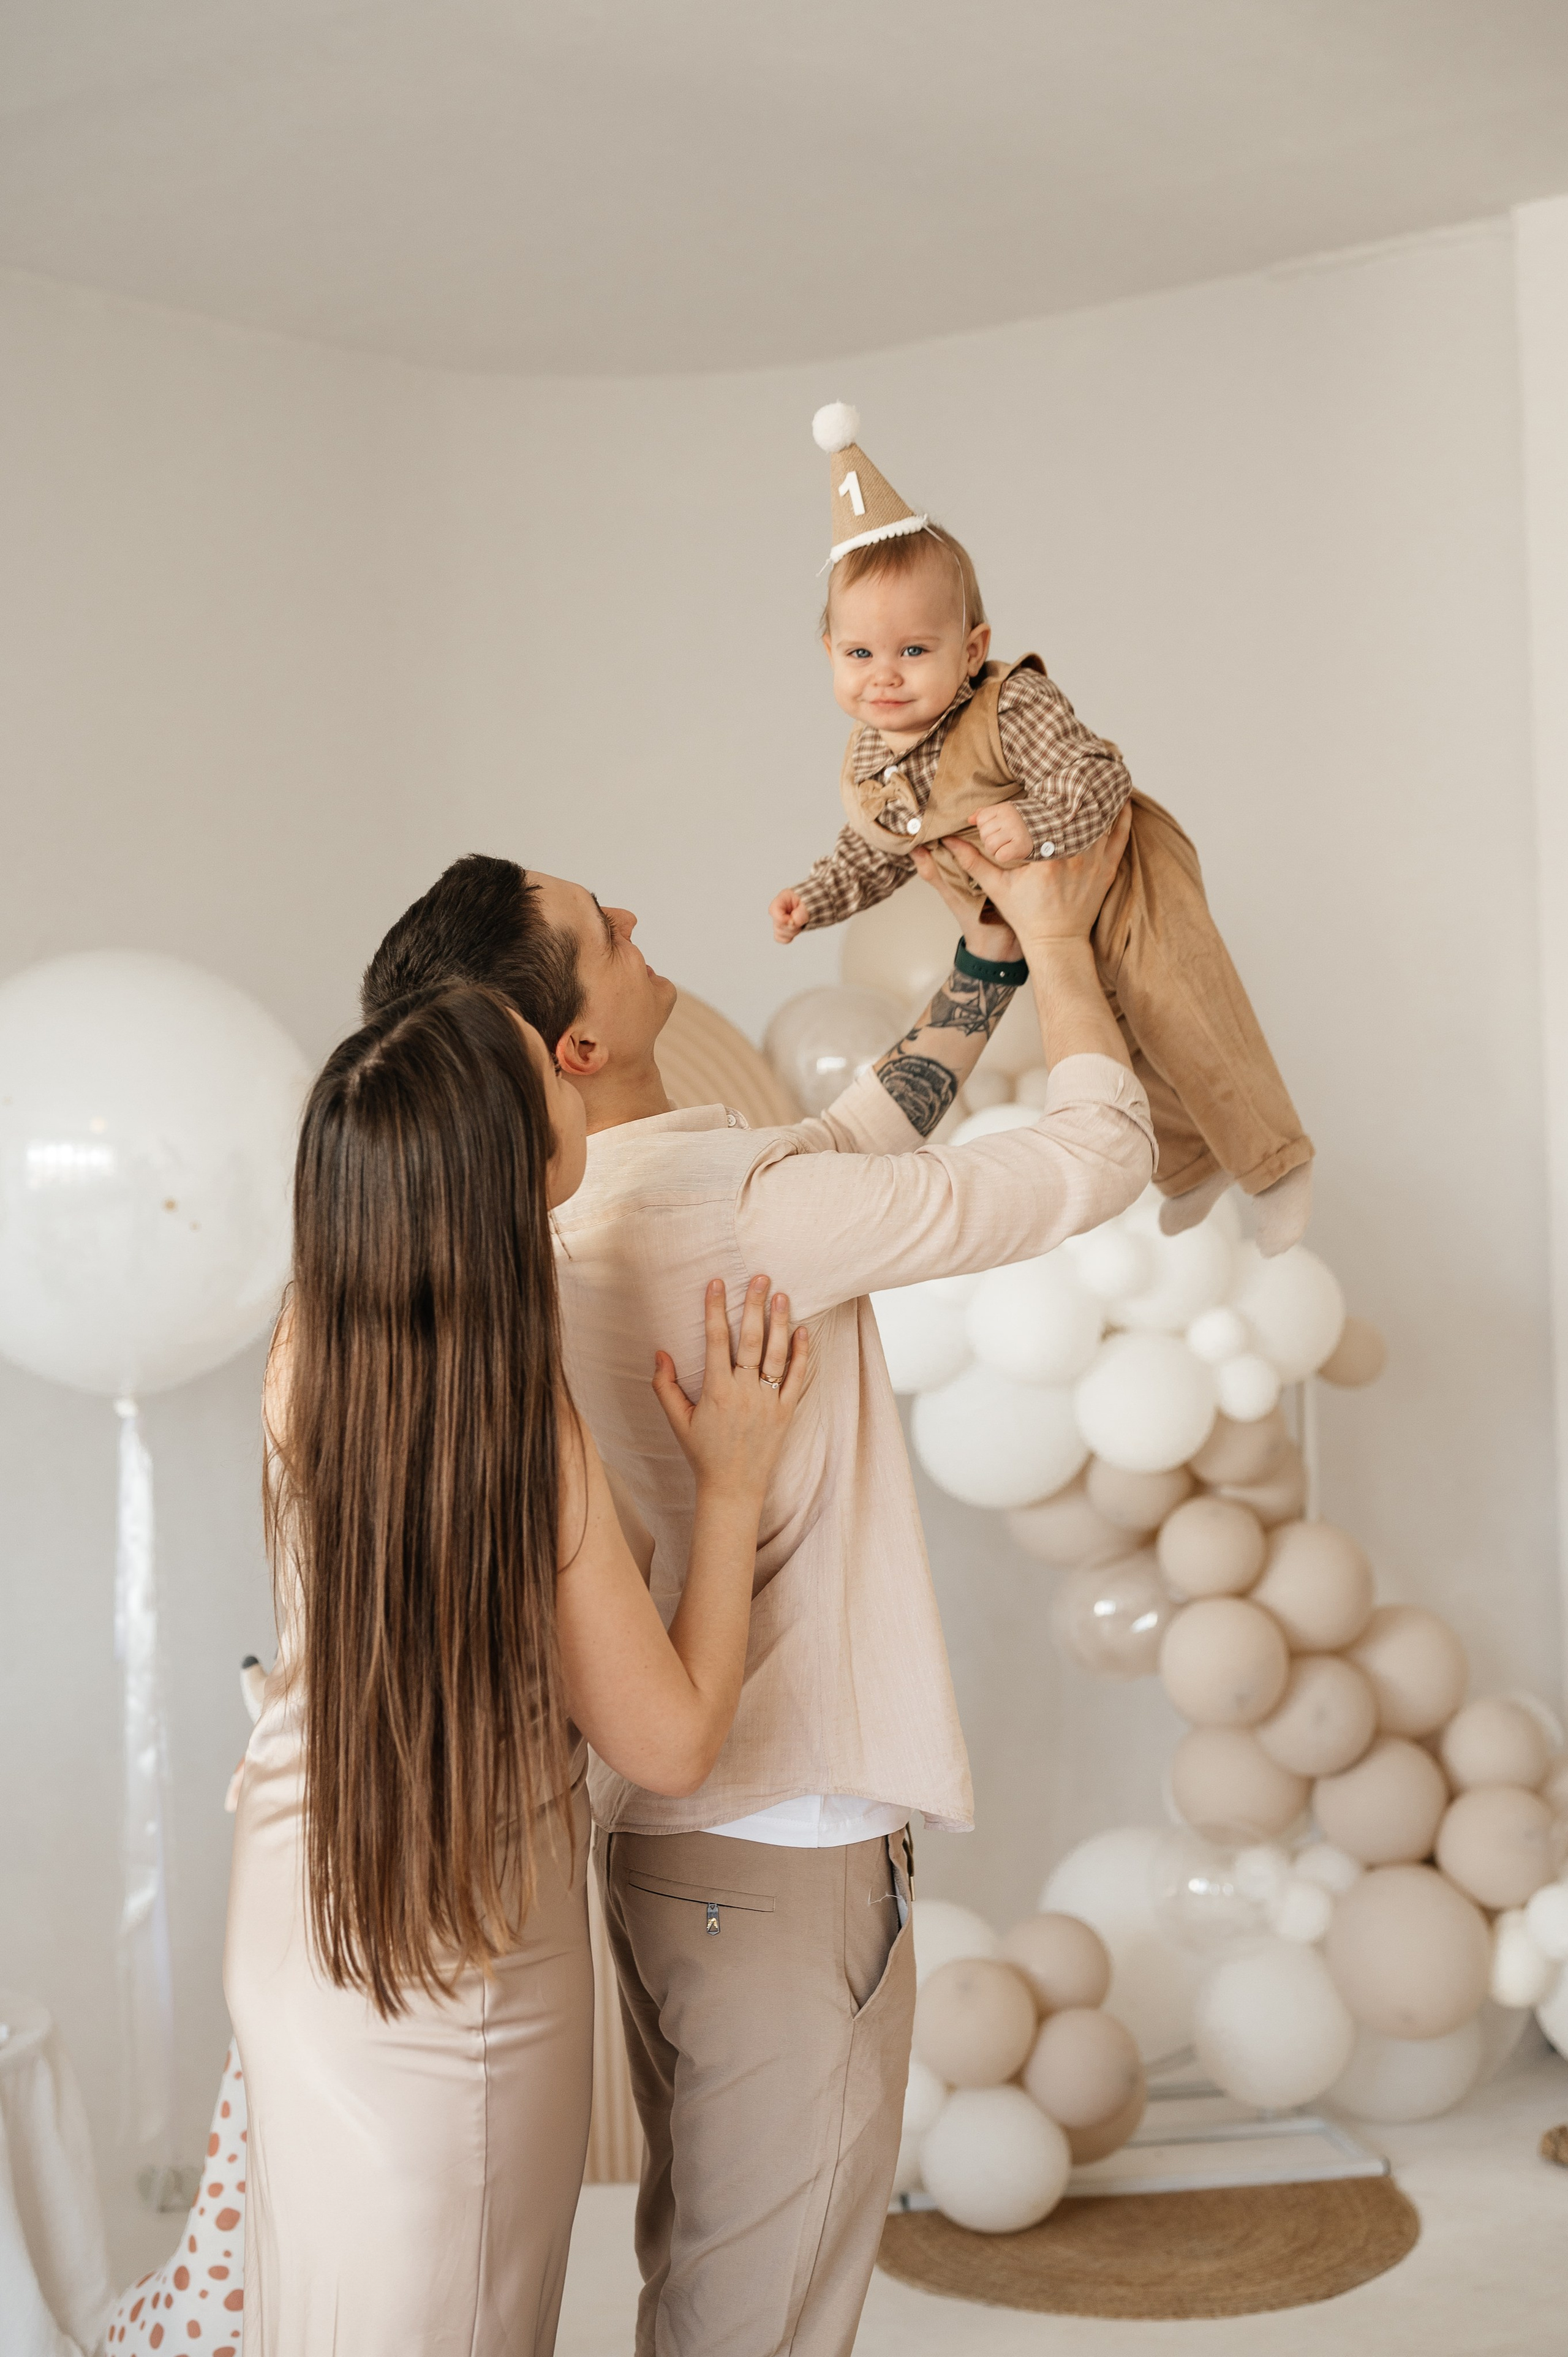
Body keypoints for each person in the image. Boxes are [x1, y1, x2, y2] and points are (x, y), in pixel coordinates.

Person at [358, 821, 1153, 2357]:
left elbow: (843, 1143)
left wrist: (979, 967)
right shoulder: (756, 1212)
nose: (634, 914)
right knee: (761, 2318)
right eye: (603, 927)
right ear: (575, 1045)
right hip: (786, 1853)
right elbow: (1093, 1162)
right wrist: (1058, 940)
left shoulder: (555, 1220)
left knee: (711, 2274)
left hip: (665, 1849)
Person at [224, 981, 807, 2356]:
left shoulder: (314, 1338)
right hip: (461, 1936)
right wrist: (730, 1483)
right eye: (546, 1068)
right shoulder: (514, 1424)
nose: (569, 1061)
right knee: (456, 2304)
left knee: (340, 2296)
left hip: (307, 1897)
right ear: (513, 1166)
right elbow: (669, 1743)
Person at [769, 401, 1313, 1256]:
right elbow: (877, 848)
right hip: (1032, 912)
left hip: (1118, 867)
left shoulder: (1008, 703)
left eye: (914, 651)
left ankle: (1276, 1165)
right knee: (1115, 1037)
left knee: (1179, 1004)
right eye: (860, 655)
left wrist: (1033, 820)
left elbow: (1097, 775)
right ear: (830, 653)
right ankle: (1194, 1167)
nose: (885, 677)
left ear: (970, 647)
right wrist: (817, 897)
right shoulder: (873, 753)